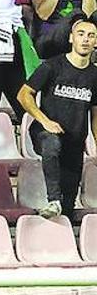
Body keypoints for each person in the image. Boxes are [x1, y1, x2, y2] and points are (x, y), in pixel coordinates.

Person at [18, 16, 97, 220]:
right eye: (81, 34)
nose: (85, 39)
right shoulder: (53, 66)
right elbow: (24, 94)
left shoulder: (94, 75)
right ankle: (53, 199)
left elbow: (95, 115)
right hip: (44, 132)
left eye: (91, 36)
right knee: (52, 145)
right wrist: (44, 120)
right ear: (71, 38)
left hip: (74, 141)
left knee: (68, 208)